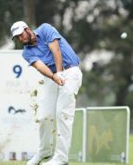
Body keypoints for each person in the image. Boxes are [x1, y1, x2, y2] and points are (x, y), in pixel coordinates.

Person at [10, 21, 83, 165]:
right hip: (51, 77)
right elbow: (40, 66)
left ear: (27, 29)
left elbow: (56, 49)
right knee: (44, 116)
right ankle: (44, 151)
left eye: (20, 35)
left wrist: (60, 72)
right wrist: (54, 76)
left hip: (70, 71)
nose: (20, 39)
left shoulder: (45, 29)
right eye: (17, 38)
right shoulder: (26, 52)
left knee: (62, 114)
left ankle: (61, 158)